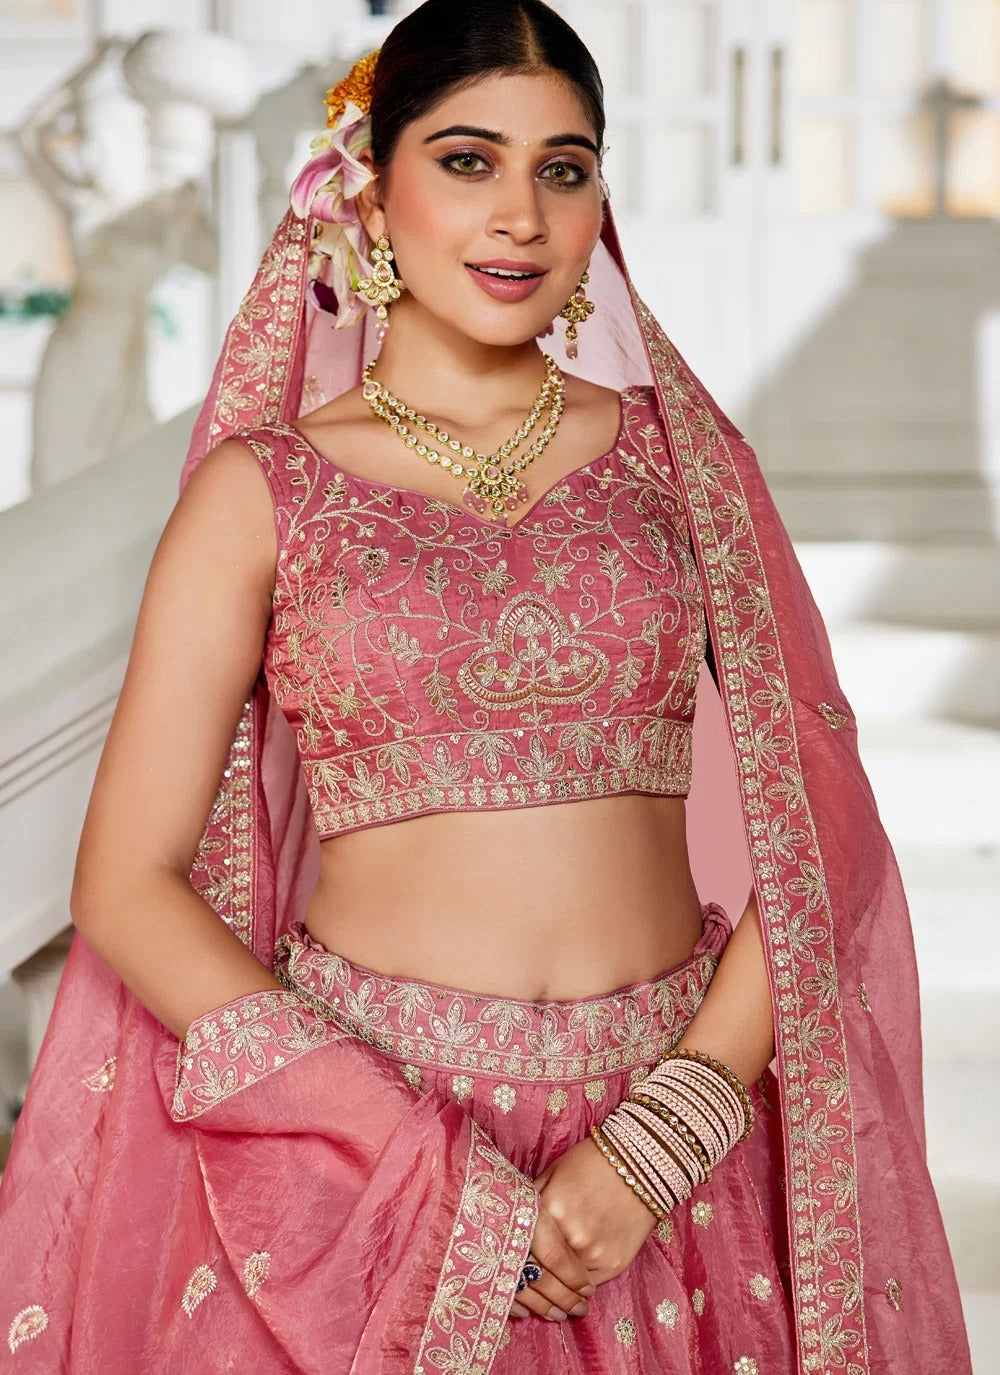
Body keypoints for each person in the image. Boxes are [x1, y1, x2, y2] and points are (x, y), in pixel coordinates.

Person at [0, 3, 972, 1372]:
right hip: (368, 1173)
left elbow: (828, 828)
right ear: (370, 185)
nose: (520, 213)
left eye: (562, 168)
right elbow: (129, 880)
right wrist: (402, 1153)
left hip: (666, 1171)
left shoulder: (679, 463)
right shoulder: (261, 490)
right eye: (467, 161)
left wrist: (660, 1141)